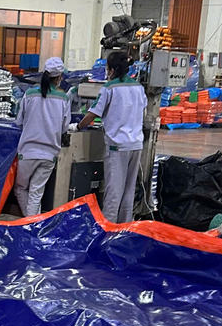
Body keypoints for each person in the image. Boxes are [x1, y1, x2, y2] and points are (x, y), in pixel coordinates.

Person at [77, 51, 147, 224]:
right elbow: (142, 110)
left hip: (117, 146)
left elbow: (93, 113)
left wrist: (77, 126)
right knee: (128, 192)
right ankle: (124, 228)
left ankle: (108, 229)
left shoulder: (109, 88)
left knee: (113, 192)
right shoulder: (139, 87)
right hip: (136, 145)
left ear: (112, 69)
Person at [13, 56, 71, 216]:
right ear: (59, 78)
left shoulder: (29, 94)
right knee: (36, 193)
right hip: (49, 154)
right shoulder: (64, 98)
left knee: (20, 188)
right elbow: (64, 127)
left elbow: (19, 121)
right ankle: (34, 222)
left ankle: (32, 222)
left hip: (28, 152)